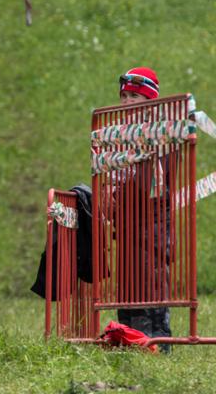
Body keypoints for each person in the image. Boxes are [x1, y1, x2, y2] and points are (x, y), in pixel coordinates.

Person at [116, 66, 172, 353]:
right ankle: (130, 342)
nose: (126, 102)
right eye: (124, 96)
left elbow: (152, 185)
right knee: (127, 285)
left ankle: (155, 345)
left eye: (134, 97)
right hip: (127, 223)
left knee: (149, 285)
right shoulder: (121, 135)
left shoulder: (161, 136)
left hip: (151, 224)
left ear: (149, 102)